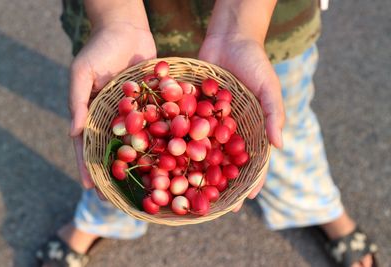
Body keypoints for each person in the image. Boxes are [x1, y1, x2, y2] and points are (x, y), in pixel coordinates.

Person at [37, 1, 378, 266]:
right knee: (115, 179)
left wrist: (243, 26)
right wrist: (115, 17)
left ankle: (317, 206)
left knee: (290, 125)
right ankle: (105, 220)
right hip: (126, 24)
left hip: (268, 24)